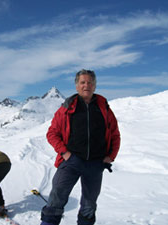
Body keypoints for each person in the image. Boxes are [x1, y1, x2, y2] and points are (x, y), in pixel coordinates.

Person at [40, 69, 121, 225]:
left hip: (95, 163)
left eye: (90, 82)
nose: (86, 85)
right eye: (83, 82)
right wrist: (64, 153)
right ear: (77, 86)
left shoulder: (104, 108)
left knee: (89, 204)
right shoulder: (67, 108)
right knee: (57, 196)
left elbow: (115, 134)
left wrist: (111, 156)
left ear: (95, 86)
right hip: (71, 161)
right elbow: (52, 133)